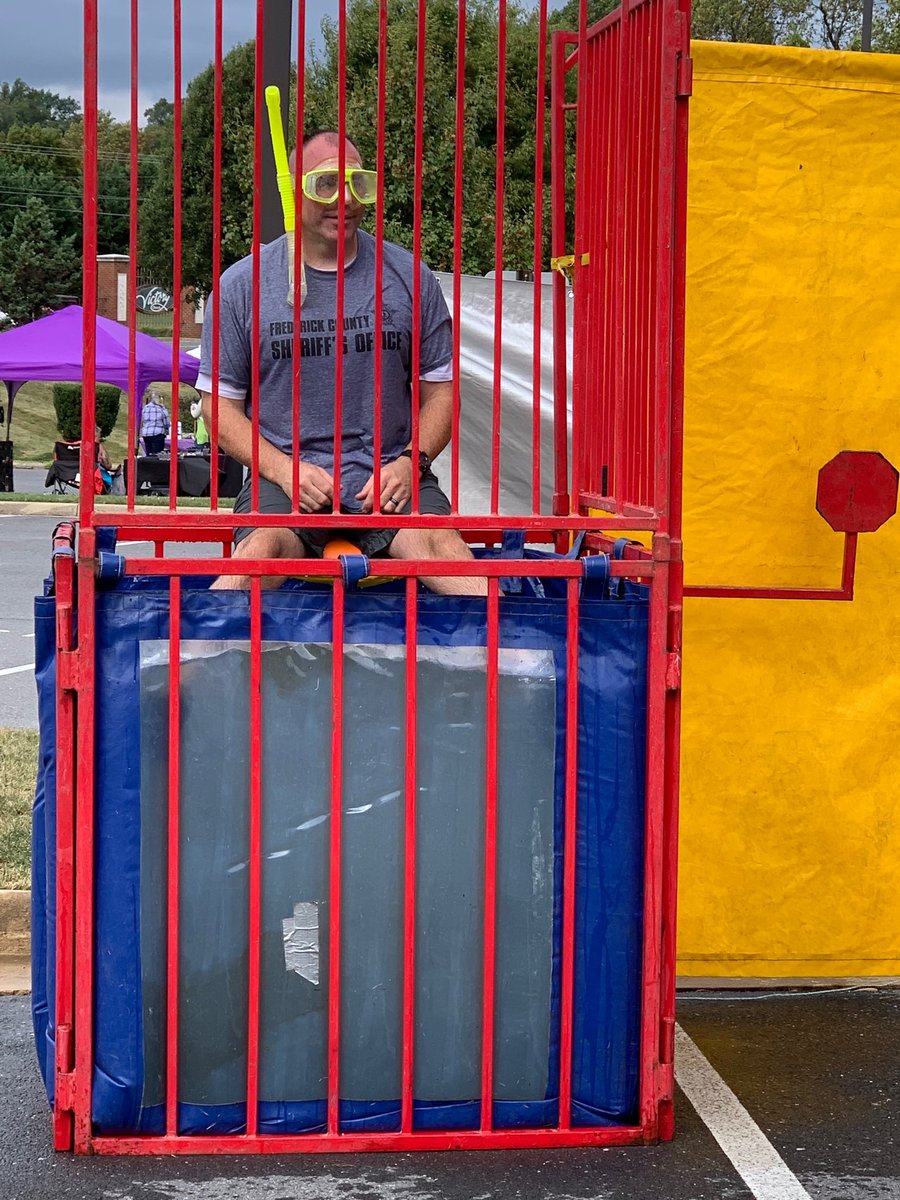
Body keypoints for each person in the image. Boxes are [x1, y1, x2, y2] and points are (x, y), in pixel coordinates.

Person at [198, 129, 485, 595]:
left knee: (448, 556)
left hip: (391, 479)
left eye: (358, 183)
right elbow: (218, 410)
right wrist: (284, 471)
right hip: (286, 482)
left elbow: (441, 396)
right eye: (326, 183)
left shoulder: (410, 278)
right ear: (294, 189)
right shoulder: (241, 286)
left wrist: (412, 464)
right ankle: (186, 662)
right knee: (257, 557)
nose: (345, 198)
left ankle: (522, 661)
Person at [140, 389, 171, 455]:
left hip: (146, 434)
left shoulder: (145, 408)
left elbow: (142, 420)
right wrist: (166, 431)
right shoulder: (161, 408)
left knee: (149, 454)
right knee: (157, 455)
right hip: (158, 434)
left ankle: (149, 464)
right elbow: (166, 422)